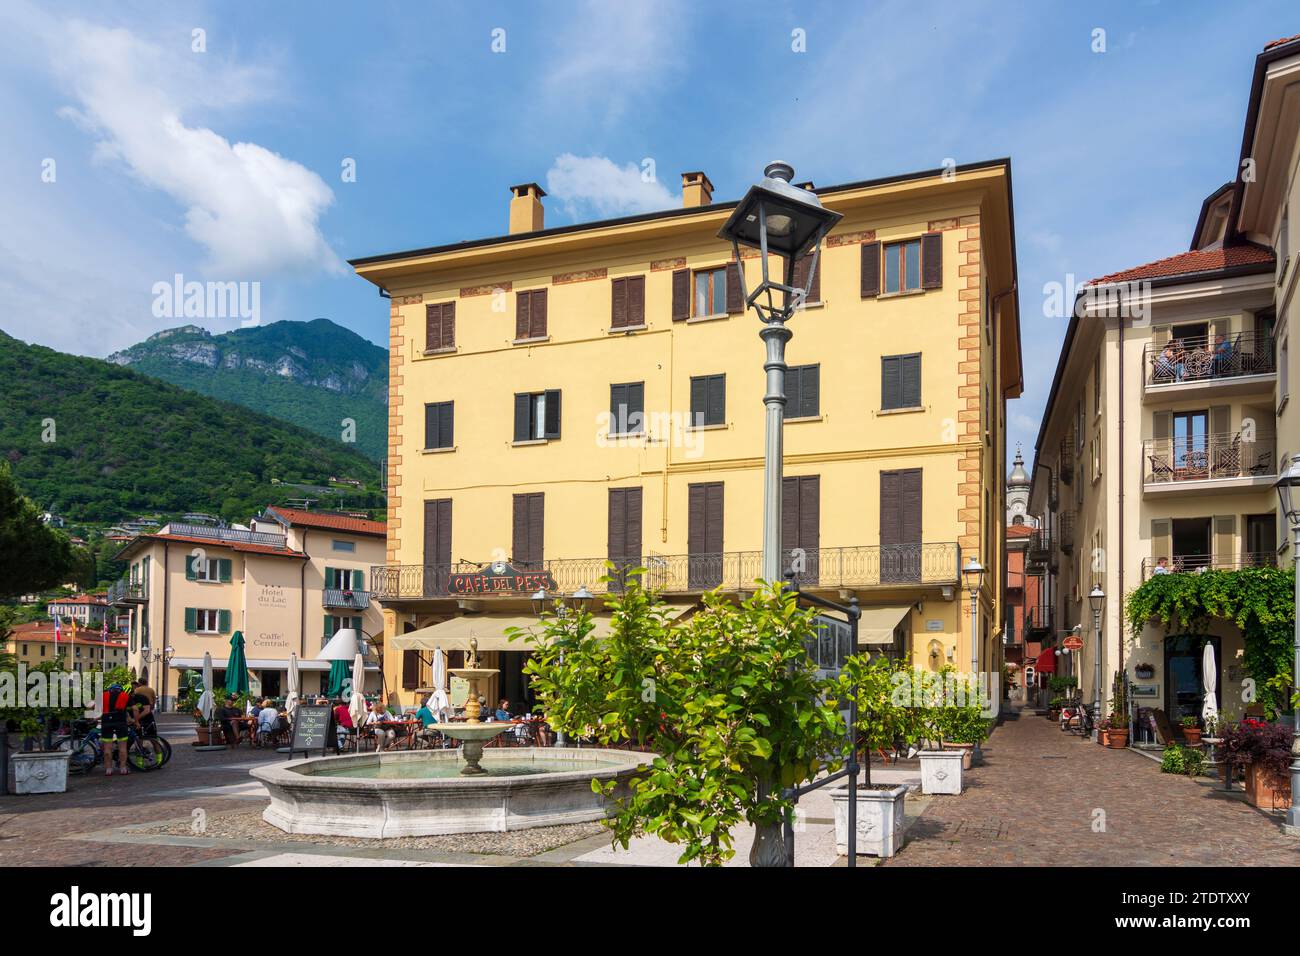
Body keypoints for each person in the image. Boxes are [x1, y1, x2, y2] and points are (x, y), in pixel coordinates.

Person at [100, 683, 133, 776]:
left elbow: (94, 707)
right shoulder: (125, 696)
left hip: (106, 722)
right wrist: (135, 720)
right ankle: (123, 768)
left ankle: (108, 769)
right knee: (122, 747)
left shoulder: (103, 695)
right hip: (120, 723)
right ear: (120, 690)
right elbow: (135, 708)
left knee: (107, 748)